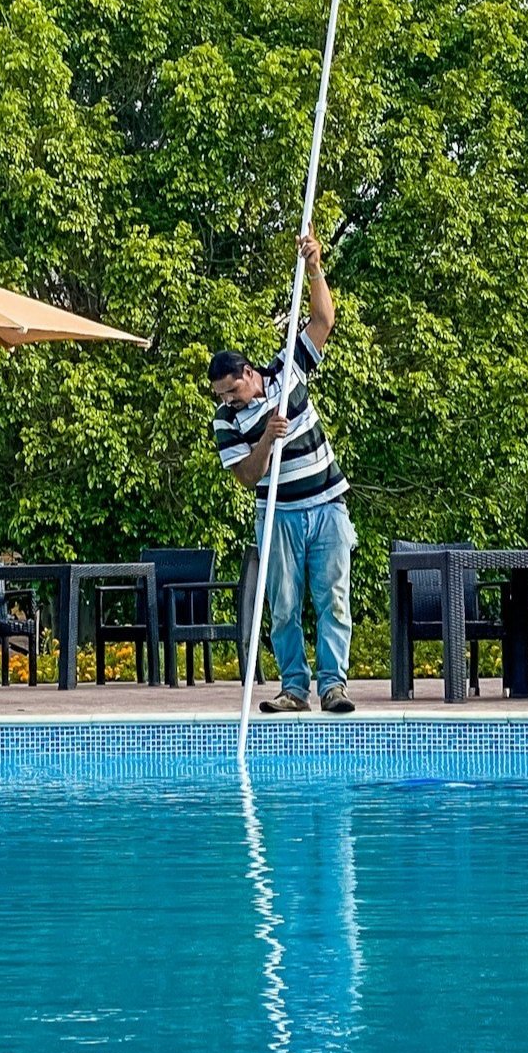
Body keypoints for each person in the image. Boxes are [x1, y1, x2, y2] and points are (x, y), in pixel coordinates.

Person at [208, 227, 357, 714]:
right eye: (221, 397)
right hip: (279, 514)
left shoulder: (287, 369)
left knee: (333, 599)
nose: (228, 401)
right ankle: (295, 687)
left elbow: (323, 319)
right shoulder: (227, 423)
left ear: (249, 373)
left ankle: (334, 686)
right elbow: (247, 477)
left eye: (231, 390)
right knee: (285, 606)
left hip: (327, 505)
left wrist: (314, 265)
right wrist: (268, 439)